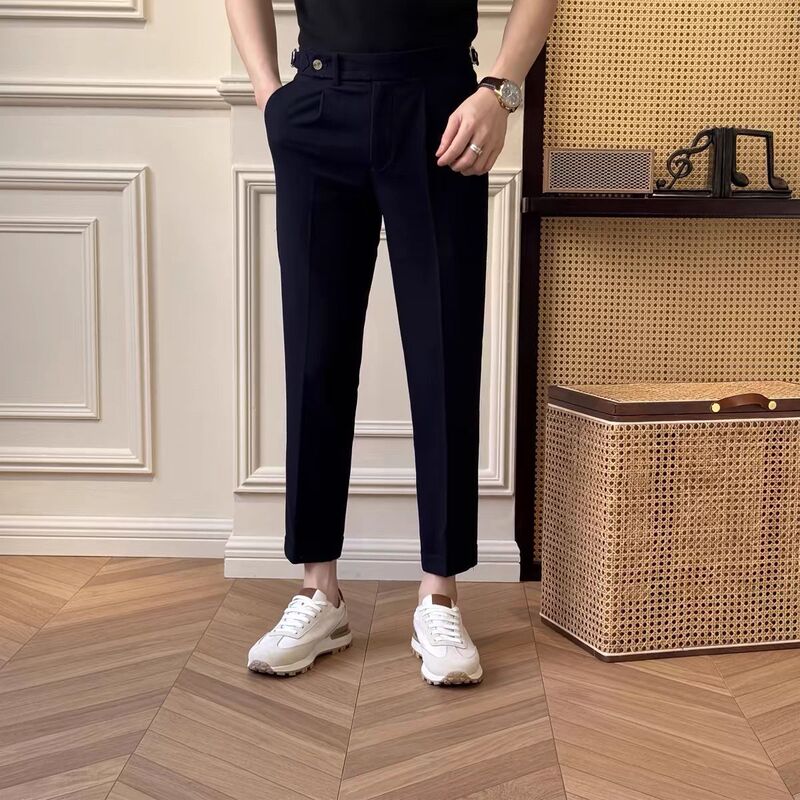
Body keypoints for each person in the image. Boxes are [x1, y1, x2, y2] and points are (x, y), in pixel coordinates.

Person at [226, 0, 556, 685]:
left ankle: (440, 595)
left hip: (441, 106)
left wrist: (500, 89)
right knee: (315, 357)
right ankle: (319, 590)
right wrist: (267, 92)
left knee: (444, 354)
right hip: (318, 104)